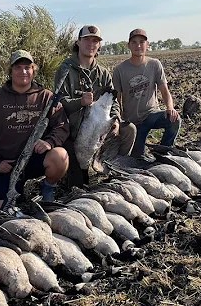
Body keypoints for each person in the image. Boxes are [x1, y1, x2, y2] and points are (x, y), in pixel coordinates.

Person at [0, 50, 70, 209]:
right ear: (10, 71)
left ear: (33, 70)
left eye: (27, 67)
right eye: (18, 67)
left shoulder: (46, 97)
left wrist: (49, 142)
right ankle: (15, 195)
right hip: (6, 165)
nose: (23, 71)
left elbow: (62, 125)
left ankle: (47, 189)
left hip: (34, 160)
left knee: (60, 156)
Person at [54, 24, 137, 187]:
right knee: (77, 186)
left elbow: (114, 102)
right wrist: (80, 102)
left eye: (95, 41)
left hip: (100, 129)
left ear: (99, 45)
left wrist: (116, 121)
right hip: (75, 131)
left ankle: (112, 168)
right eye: (87, 40)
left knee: (129, 130)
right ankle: (73, 170)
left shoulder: (103, 73)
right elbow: (58, 103)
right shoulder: (65, 70)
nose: (91, 44)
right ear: (78, 42)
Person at [112, 28, 181, 157]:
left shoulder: (155, 64)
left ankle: (163, 152)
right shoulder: (120, 70)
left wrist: (170, 108)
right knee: (138, 158)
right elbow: (117, 99)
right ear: (129, 45)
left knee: (175, 120)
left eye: (142, 42)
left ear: (147, 44)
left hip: (151, 115)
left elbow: (165, 91)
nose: (138, 45)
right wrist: (120, 121)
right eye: (134, 42)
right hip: (133, 121)